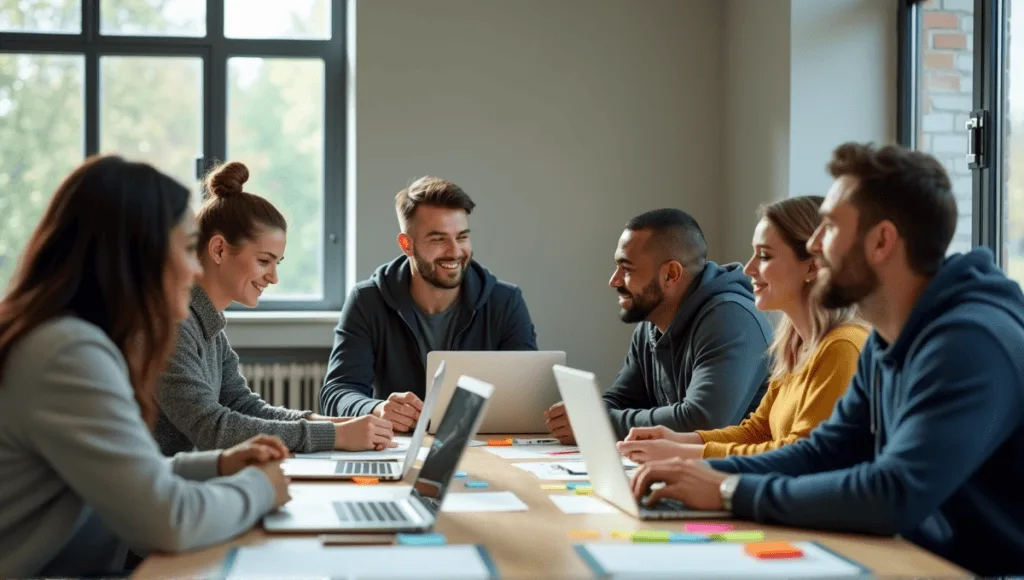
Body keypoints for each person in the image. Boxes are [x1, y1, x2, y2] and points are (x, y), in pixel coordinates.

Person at [629, 142, 1024, 577]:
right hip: (909, 558)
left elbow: (894, 493)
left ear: (881, 241)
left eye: (830, 227)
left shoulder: (969, 342)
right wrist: (692, 473)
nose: (814, 245)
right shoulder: (890, 337)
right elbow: (825, 452)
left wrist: (728, 490)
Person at [0, 156, 290, 578]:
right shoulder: (66, 353)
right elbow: (170, 521)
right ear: (139, 253)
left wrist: (219, 464)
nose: (195, 269)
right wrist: (260, 488)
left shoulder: (76, 340)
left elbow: (129, 471)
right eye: (189, 248)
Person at [154, 162, 394, 456]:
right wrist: (333, 435)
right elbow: (213, 428)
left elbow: (242, 405)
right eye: (264, 261)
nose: (273, 277)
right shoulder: (175, 323)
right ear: (218, 250)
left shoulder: (208, 324)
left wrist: (328, 423)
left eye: (276, 264)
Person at [616, 197, 867, 463]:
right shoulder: (795, 345)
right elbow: (758, 431)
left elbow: (804, 455)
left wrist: (688, 452)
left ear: (812, 266)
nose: (748, 269)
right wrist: (676, 439)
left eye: (764, 256)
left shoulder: (842, 347)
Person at [319, 176, 538, 430]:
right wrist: (377, 409)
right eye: (438, 239)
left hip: (484, 444)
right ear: (406, 245)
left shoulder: (506, 302)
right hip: (397, 447)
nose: (455, 251)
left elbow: (526, 397)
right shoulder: (367, 301)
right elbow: (337, 393)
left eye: (462, 237)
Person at [545, 209, 772, 444]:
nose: (614, 280)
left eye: (627, 269)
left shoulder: (731, 319)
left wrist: (596, 422)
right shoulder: (651, 324)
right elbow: (621, 401)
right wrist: (584, 413)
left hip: (736, 477)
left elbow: (702, 421)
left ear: (671, 274)